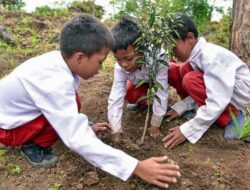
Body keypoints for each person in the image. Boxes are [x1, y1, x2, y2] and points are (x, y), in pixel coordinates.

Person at [0, 15, 180, 188]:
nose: (101, 69)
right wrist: (136, 167)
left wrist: (84, 127)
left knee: (74, 102)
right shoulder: (54, 82)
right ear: (79, 57)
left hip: (19, 111)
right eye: (100, 62)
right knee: (69, 114)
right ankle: (34, 146)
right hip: (9, 128)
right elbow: (77, 139)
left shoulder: (58, 63)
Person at [163, 13, 250, 149]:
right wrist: (181, 108)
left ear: (190, 37)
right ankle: (206, 114)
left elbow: (217, 98)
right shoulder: (195, 57)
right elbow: (207, 89)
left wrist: (186, 130)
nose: (172, 54)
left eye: (174, 48)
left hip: (237, 98)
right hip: (223, 92)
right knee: (185, 70)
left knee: (190, 79)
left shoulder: (211, 56)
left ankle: (237, 116)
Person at [108, 16, 169, 143]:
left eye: (129, 59)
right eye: (118, 59)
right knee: (130, 93)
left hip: (157, 79)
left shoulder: (159, 57)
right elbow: (116, 96)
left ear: (143, 50)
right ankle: (144, 102)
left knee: (172, 73)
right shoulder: (120, 68)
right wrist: (116, 129)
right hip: (141, 82)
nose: (123, 64)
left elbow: (161, 91)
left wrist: (155, 124)